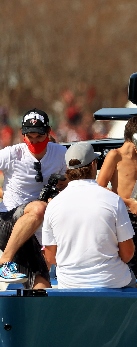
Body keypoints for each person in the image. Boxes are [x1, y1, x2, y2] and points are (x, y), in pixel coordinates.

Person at [42, 142, 136, 289]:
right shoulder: (113, 200)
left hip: (70, 285)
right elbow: (128, 253)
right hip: (112, 282)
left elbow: (50, 257)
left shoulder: (53, 205)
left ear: (67, 169)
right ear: (93, 164)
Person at [0, 108, 67, 287]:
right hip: (8, 220)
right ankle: (4, 262)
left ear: (48, 132)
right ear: (23, 135)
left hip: (35, 229)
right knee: (38, 207)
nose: (35, 141)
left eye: (40, 136)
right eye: (31, 137)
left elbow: (71, 181)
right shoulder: (11, 154)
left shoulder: (60, 154)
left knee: (42, 287)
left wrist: (60, 188)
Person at [97, 115, 137, 288]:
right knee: (122, 267)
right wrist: (127, 202)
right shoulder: (115, 155)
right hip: (122, 217)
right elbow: (98, 188)